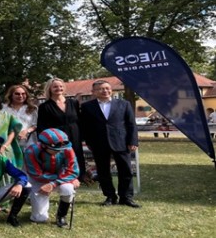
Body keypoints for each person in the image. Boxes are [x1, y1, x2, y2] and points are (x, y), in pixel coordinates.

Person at [80, 80, 140, 208]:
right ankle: (110, 196)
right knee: (103, 172)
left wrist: (133, 141)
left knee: (126, 170)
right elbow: (85, 126)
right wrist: (89, 142)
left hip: (121, 142)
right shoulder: (87, 107)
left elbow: (131, 124)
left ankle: (126, 197)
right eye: (101, 89)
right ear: (94, 92)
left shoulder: (124, 104)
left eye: (107, 88)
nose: (105, 91)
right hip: (99, 143)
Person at [23, 128, 80, 227]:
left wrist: (53, 184)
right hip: (39, 180)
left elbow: (73, 170)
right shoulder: (31, 152)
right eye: (55, 150)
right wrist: (68, 177)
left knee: (68, 188)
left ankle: (61, 216)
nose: (59, 151)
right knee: (40, 218)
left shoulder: (67, 149)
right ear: (44, 145)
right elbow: (37, 174)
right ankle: (38, 210)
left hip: (59, 180)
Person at [37, 78, 86, 182]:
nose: (58, 88)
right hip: (56, 138)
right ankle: (61, 179)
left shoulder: (74, 103)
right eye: (55, 86)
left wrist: (83, 136)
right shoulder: (44, 106)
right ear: (49, 89)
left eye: (60, 86)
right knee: (60, 158)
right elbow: (41, 125)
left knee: (76, 156)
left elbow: (80, 120)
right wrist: (44, 142)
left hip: (74, 135)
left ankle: (78, 178)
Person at [3, 85, 38, 150]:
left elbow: (35, 124)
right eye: (17, 94)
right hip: (9, 141)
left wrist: (26, 131)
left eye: (23, 94)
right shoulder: (4, 108)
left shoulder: (32, 108)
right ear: (11, 95)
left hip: (28, 141)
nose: (20, 96)